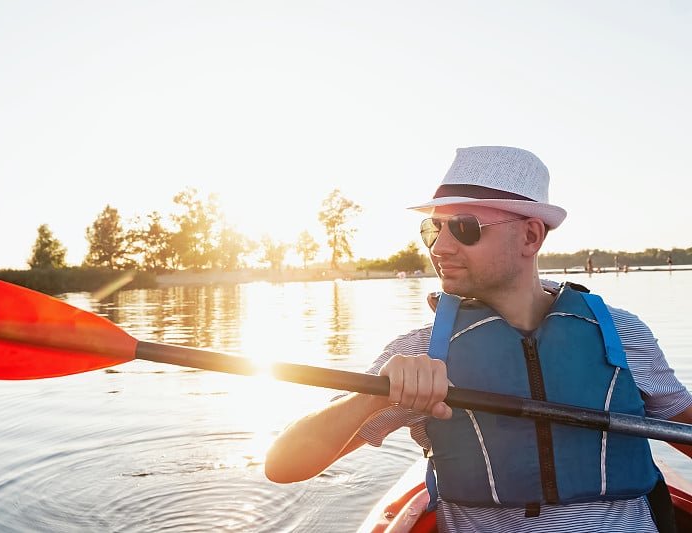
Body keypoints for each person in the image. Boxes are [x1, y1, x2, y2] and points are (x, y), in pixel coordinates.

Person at [265, 146, 692, 532]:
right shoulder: (418, 352)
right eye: (433, 230)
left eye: (465, 228)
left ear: (530, 236)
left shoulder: (621, 332)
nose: (439, 248)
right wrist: (375, 397)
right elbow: (283, 465)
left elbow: (681, 423)